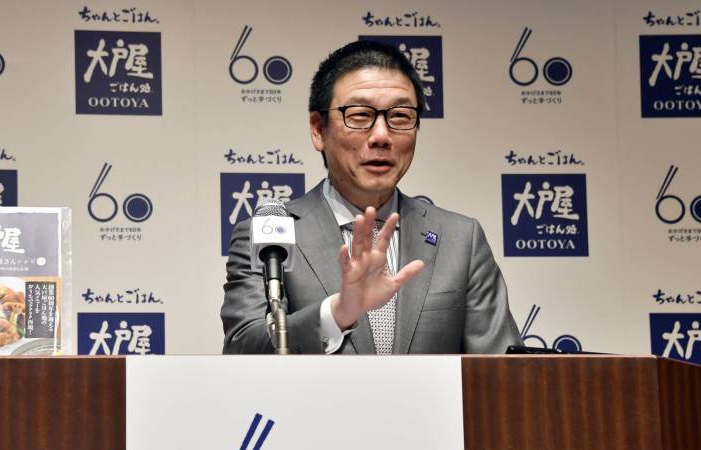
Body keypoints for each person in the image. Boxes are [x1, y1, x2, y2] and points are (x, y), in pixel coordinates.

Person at [222, 40, 521, 354]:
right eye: (360, 115)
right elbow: (244, 350)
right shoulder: (272, 233)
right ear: (318, 129)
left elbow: (502, 374)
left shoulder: (460, 240)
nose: (381, 136)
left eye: (401, 116)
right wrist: (336, 315)